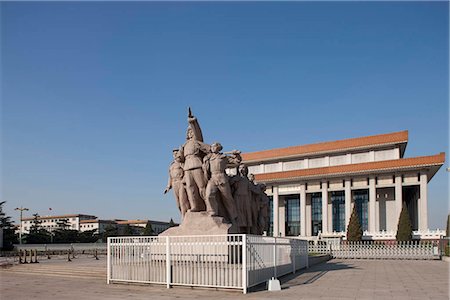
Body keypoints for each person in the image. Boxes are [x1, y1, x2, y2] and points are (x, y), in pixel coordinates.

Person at [178, 109, 210, 212]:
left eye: (192, 131)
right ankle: (194, 206)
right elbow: (180, 159)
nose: (191, 133)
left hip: (196, 164)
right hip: (187, 167)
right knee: (190, 187)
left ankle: (209, 205)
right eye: (189, 132)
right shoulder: (185, 145)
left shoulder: (197, 142)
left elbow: (198, 134)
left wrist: (193, 122)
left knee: (202, 186)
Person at [203, 142, 241, 223]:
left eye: (214, 146)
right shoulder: (208, 157)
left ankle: (233, 217)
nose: (212, 147)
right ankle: (212, 211)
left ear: (218, 147)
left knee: (227, 199)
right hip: (213, 178)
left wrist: (237, 155)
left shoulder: (223, 157)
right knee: (208, 195)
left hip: (222, 177)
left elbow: (236, 162)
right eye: (212, 146)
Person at [164, 149, 190, 219]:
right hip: (174, 183)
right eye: (174, 154)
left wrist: (184, 180)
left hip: (180, 182)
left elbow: (187, 172)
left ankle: (184, 217)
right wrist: (168, 186)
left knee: (183, 201)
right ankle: (183, 214)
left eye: (177, 153)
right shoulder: (171, 165)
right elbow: (170, 176)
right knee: (178, 203)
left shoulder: (182, 163)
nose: (175, 155)